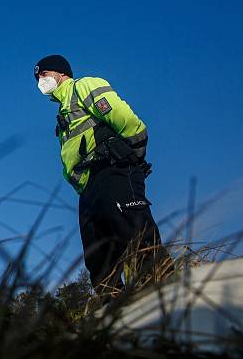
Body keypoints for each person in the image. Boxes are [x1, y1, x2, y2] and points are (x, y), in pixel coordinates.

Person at [34, 55, 168, 294]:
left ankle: (164, 289)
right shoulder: (63, 114)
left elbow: (127, 120)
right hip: (88, 188)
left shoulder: (84, 86)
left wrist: (131, 157)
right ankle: (112, 310)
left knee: (134, 231)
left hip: (112, 169)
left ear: (60, 73)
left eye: (43, 75)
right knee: (97, 254)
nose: (40, 82)